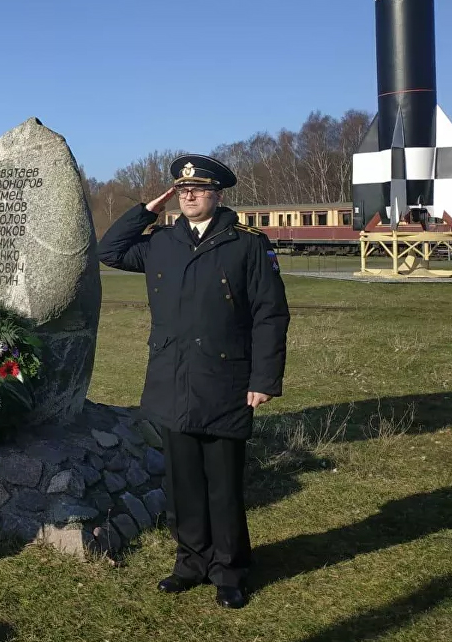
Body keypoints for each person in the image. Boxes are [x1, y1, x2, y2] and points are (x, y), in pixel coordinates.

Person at [98, 154, 290, 610]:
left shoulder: (246, 244)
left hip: (225, 379)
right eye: (181, 190)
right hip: (172, 378)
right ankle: (190, 562)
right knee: (183, 482)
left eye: (198, 189)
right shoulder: (162, 242)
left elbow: (270, 314)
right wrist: (147, 209)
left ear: (218, 194)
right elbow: (109, 250)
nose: (188, 195)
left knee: (223, 483)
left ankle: (229, 569)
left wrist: (264, 378)